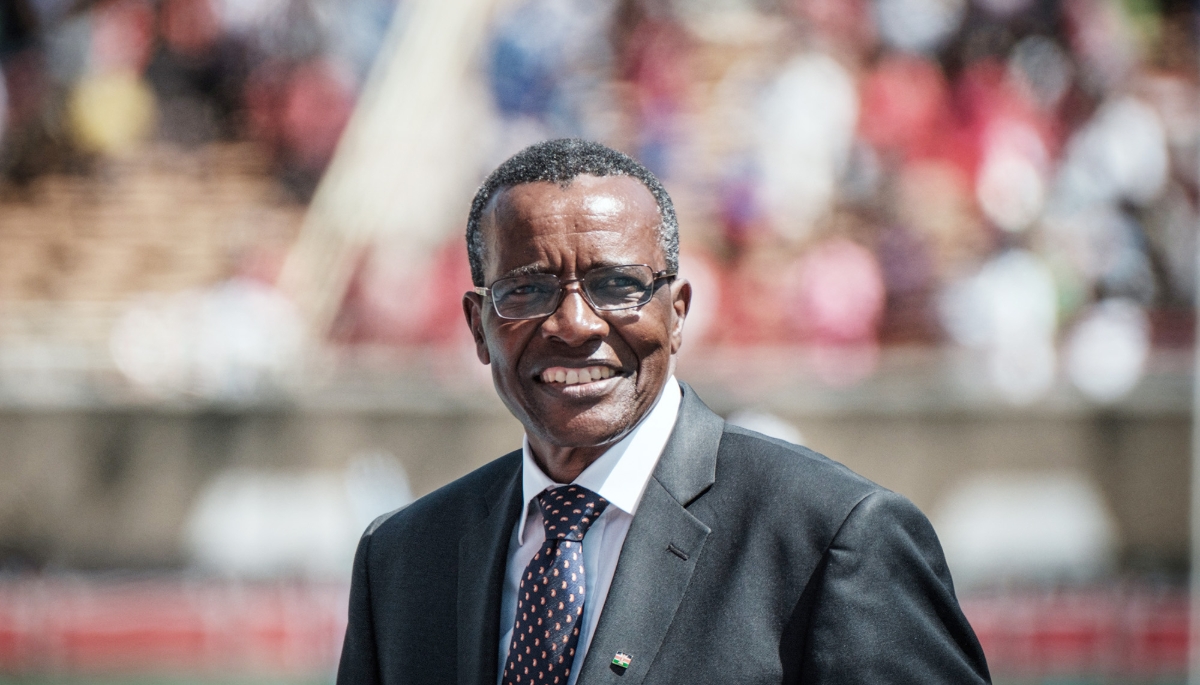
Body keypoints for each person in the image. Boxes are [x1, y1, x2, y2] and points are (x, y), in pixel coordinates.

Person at [336, 139, 991, 685]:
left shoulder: (833, 539)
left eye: (616, 285)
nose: (573, 323)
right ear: (480, 326)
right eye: (528, 289)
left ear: (677, 313)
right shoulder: (401, 559)